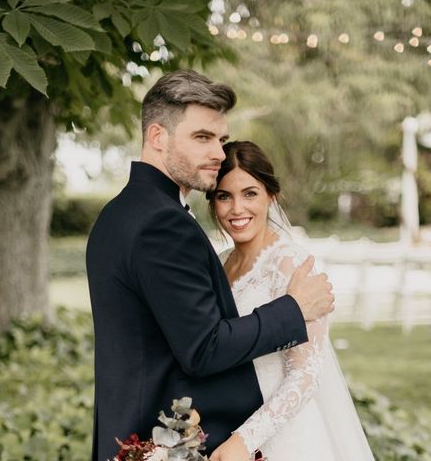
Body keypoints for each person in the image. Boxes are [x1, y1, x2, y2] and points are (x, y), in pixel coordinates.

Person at [86, 70, 335, 460]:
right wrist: (294, 310)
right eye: (202, 138)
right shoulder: (162, 222)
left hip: (135, 437)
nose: (218, 153)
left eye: (220, 139)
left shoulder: (117, 214)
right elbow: (204, 348)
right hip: (163, 442)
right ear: (157, 137)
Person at [207, 141, 374, 461]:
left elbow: (306, 373)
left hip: (283, 434)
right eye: (224, 196)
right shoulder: (219, 263)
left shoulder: (292, 264)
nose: (236, 208)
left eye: (250, 193)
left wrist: (246, 439)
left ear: (271, 195)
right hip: (229, 424)